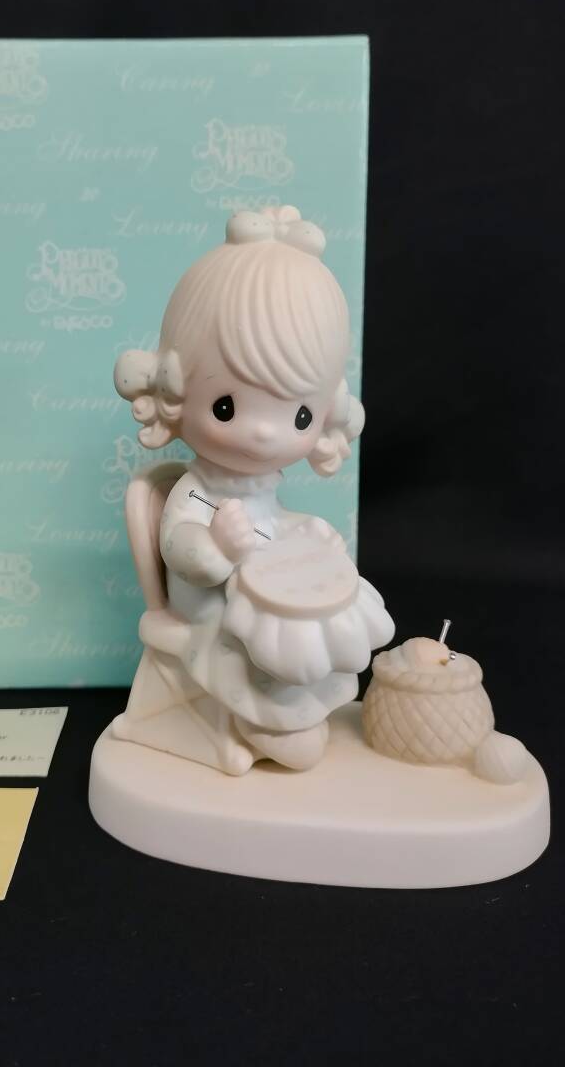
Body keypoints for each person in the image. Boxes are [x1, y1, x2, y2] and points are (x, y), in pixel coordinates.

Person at [112, 206, 393, 774]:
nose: (263, 434)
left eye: (299, 415)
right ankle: (265, 719)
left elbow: (270, 522)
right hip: (208, 614)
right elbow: (179, 545)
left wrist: (300, 530)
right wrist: (216, 546)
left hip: (259, 598)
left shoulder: (258, 485)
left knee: (317, 618)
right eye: (226, 407)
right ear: (175, 389)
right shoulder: (198, 490)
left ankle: (297, 703)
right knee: (261, 645)